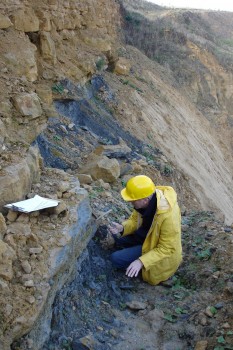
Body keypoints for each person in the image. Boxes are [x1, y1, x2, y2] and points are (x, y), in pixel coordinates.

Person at [108, 175, 182, 285]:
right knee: (117, 239)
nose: (130, 203)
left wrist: (141, 261)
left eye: (133, 200)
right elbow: (134, 221)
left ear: (145, 200)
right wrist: (123, 227)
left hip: (156, 250)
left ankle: (136, 271)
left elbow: (166, 249)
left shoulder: (168, 217)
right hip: (146, 239)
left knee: (115, 259)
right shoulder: (146, 199)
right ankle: (131, 257)